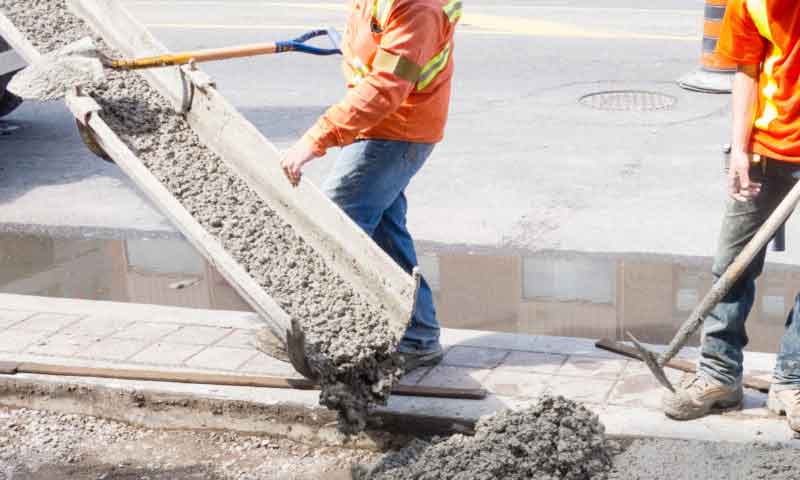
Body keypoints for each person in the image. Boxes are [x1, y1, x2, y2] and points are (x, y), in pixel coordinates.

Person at [278, 0, 461, 370]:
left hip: (397, 131)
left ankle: (320, 333)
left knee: (334, 225)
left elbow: (386, 86)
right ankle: (419, 335)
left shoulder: (418, 8)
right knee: (383, 233)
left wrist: (316, 139)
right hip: (383, 125)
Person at [662, 0, 800, 433]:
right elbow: (747, 68)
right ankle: (720, 375)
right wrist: (739, 149)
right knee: (732, 265)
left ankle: (792, 382)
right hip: (765, 148)